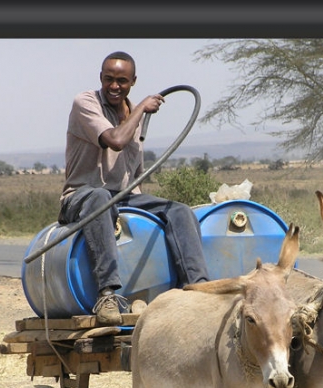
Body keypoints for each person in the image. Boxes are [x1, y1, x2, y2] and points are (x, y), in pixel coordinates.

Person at [58, 51, 209, 325]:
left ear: (133, 81)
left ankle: (197, 291)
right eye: (109, 79)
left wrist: (135, 111)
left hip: (125, 198)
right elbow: (115, 140)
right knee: (100, 197)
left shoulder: (132, 113)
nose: (114, 86)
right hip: (82, 196)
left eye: (122, 81)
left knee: (179, 211)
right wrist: (140, 108)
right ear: (100, 78)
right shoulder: (85, 103)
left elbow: (134, 173)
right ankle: (107, 294)